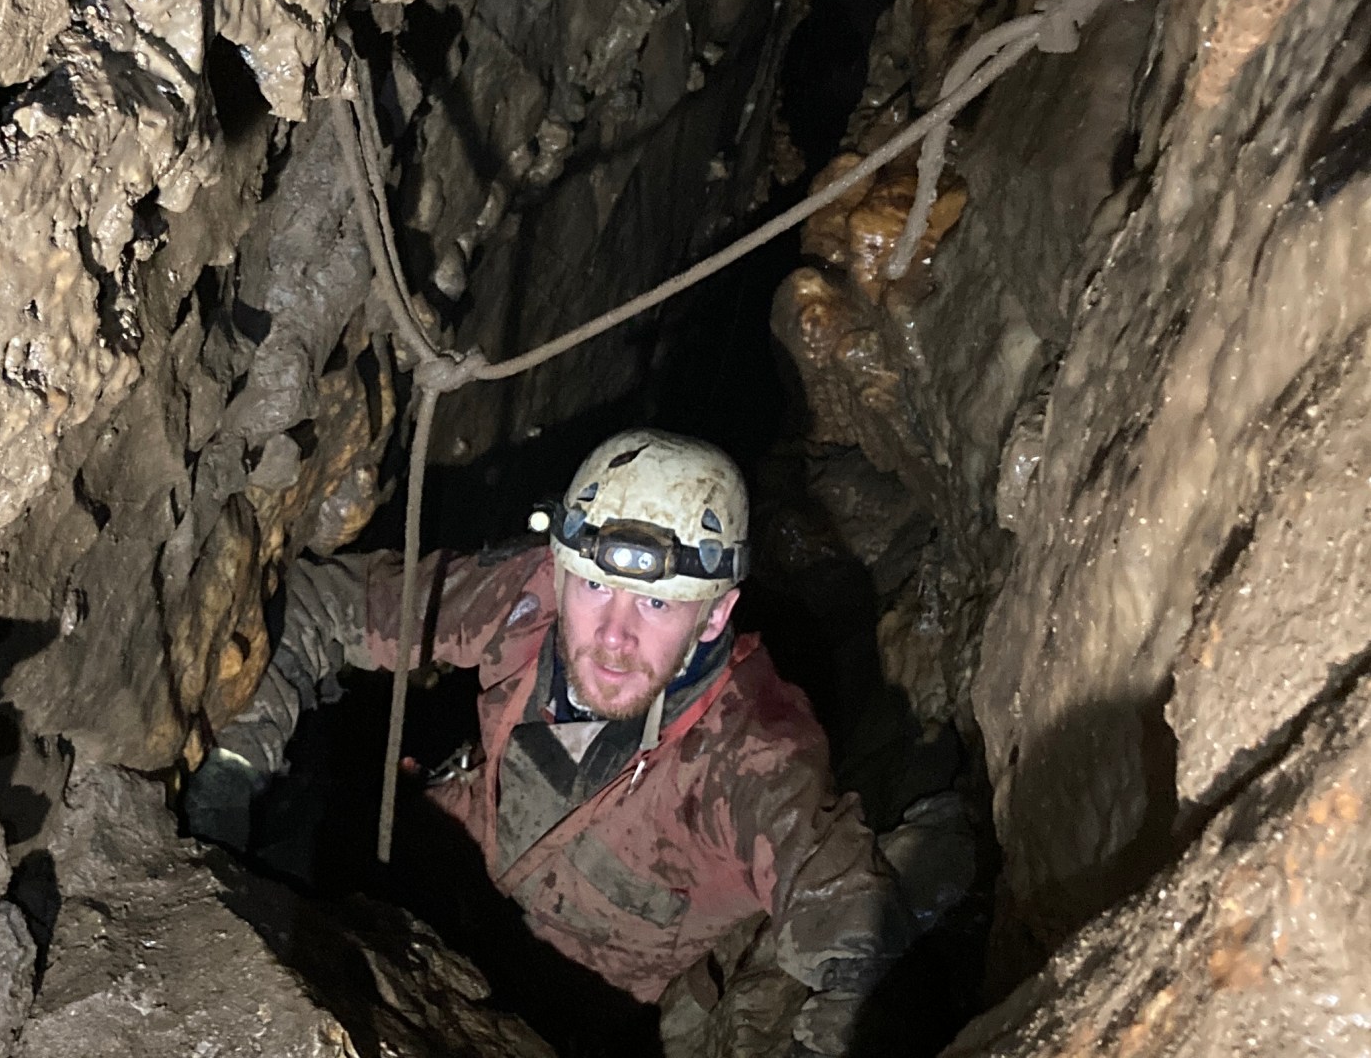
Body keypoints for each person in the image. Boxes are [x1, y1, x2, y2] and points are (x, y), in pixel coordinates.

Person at [186, 429, 910, 1056]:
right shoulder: (530, 600)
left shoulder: (753, 751)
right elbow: (326, 605)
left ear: (716, 616)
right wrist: (230, 775)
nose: (615, 638)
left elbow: (852, 922)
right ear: (560, 571)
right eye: (595, 588)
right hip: (419, 902)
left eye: (658, 603)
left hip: (557, 1022)